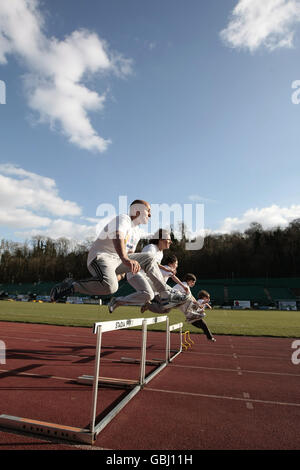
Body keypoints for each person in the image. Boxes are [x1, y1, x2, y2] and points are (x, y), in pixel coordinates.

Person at [50, 200, 189, 309]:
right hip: (101, 257)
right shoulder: (124, 219)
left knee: (148, 258)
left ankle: (165, 295)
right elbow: (118, 236)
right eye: (148, 211)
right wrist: (124, 259)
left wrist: (121, 273)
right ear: (137, 211)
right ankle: (72, 285)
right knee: (111, 287)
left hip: (118, 261)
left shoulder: (137, 232)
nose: (150, 215)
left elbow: (130, 257)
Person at [108, 231, 189, 313]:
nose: (171, 242)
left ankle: (176, 297)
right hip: (136, 273)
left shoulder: (160, 253)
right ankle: (117, 301)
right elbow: (147, 260)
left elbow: (154, 267)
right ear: (160, 239)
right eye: (169, 239)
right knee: (149, 294)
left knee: (150, 295)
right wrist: (165, 268)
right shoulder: (151, 247)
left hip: (147, 276)